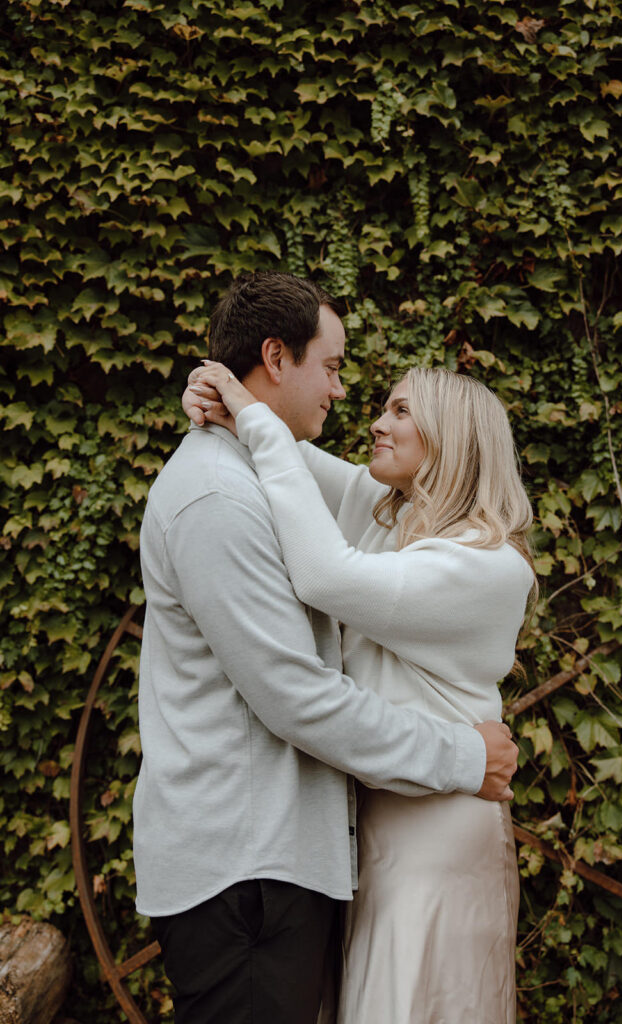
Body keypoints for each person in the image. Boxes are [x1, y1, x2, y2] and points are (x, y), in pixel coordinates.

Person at [133, 271, 519, 1024]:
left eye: (398, 409)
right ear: (276, 359)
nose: (354, 402)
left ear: (452, 441)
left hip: (370, 839)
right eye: (336, 368)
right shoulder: (241, 498)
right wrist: (217, 409)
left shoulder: (456, 553)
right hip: (255, 863)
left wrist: (231, 411)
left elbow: (299, 495)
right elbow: (295, 694)